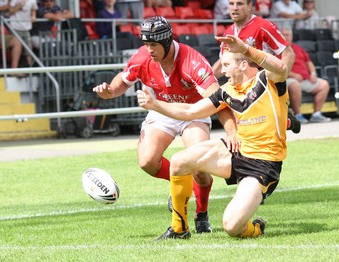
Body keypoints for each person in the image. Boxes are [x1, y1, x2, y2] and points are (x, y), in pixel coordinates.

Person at [93, 16, 237, 234]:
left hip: (194, 112)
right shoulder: (143, 57)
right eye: (146, 44)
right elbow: (122, 80)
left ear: (168, 41)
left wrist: (232, 132)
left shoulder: (192, 62)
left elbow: (218, 101)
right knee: (147, 161)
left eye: (154, 45)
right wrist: (110, 92)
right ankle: (182, 179)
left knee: (199, 167)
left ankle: (201, 214)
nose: (149, 50)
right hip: (161, 110)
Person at [137, 34, 289, 240]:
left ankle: (257, 228)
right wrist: (155, 105)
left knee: (232, 227)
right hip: (237, 151)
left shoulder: (267, 80)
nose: (221, 70)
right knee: (180, 161)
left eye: (226, 64)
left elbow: (281, 68)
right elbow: (191, 111)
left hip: (263, 164)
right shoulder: (226, 91)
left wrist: (244, 47)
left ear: (243, 64)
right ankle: (179, 229)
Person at [212, 0, 300, 134]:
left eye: (239, 4)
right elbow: (223, 62)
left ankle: (286, 121)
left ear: (249, 7)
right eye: (231, 4)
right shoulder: (228, 32)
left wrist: (279, 80)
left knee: (265, 129)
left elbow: (289, 53)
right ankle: (287, 122)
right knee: (254, 130)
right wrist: (207, 78)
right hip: (241, 87)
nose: (234, 8)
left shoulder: (264, 26)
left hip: (264, 83)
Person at [282, 28, 331, 123]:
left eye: (288, 35)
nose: (285, 37)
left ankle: (317, 114)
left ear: (292, 37)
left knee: (324, 84)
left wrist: (313, 73)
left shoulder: (298, 48)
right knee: (294, 84)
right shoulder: (278, 49)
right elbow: (278, 66)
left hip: (305, 79)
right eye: (283, 34)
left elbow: (308, 62)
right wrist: (293, 75)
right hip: (288, 79)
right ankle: (298, 115)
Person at [9, 0, 37, 66]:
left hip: (26, 28)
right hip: (15, 27)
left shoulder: (33, 1)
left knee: (28, 48)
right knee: (17, 47)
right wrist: (18, 7)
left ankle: (30, 68)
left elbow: (34, 9)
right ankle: (14, 68)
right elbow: (10, 11)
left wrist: (33, 16)